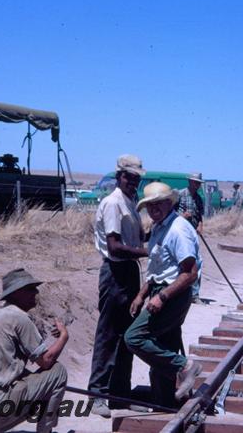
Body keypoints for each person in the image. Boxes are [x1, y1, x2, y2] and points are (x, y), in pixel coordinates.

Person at [125, 182, 203, 407]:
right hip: (161, 291)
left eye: (159, 203)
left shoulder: (178, 229)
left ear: (170, 203)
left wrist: (162, 297)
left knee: (134, 337)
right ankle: (164, 404)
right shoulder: (159, 227)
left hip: (173, 295)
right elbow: (158, 268)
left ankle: (184, 367)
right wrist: (142, 294)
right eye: (149, 205)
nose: (153, 209)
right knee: (162, 350)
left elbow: (190, 273)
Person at [0, 268, 69, 433]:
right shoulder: (19, 318)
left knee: (23, 380)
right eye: (30, 289)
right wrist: (63, 337)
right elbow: (46, 361)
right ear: (17, 293)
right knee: (58, 372)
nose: (36, 292)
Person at [87, 154, 149, 418]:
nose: (132, 182)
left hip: (129, 272)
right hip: (115, 272)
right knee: (109, 335)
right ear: (118, 176)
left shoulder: (130, 202)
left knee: (126, 336)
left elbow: (136, 237)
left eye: (136, 178)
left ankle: (120, 395)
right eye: (128, 177)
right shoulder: (113, 203)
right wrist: (145, 252)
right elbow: (114, 246)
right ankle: (97, 394)